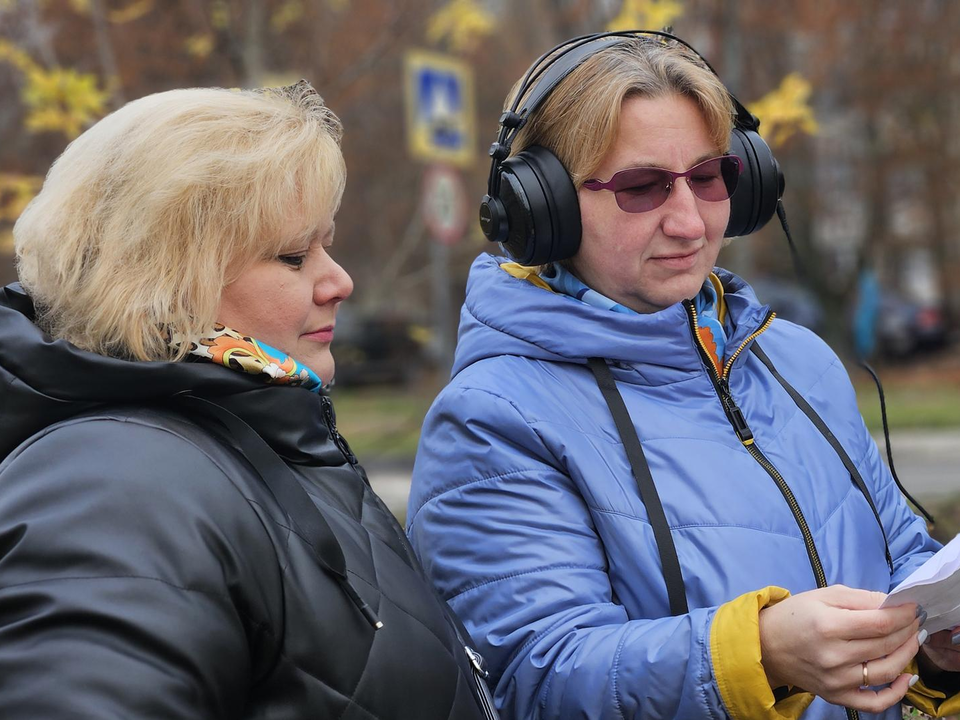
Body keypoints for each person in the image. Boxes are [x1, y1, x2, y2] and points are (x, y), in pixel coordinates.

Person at [406, 33, 960, 720]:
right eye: (641, 187)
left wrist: (940, 642)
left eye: (710, 177)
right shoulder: (493, 418)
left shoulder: (800, 361)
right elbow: (531, 681)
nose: (690, 221)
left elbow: (902, 560)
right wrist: (758, 654)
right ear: (541, 207)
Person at [0, 81, 496, 719]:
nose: (339, 281)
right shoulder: (117, 484)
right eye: (294, 256)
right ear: (165, 279)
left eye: (328, 244)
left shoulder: (253, 441)